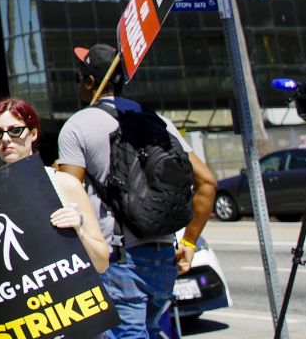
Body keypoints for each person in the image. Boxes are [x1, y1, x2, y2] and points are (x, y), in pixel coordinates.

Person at [57, 44, 216, 339]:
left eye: (79, 77)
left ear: (91, 82)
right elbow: (207, 182)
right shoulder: (159, 121)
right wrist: (190, 242)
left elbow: (66, 198)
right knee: (155, 331)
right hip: (164, 256)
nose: (78, 83)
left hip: (118, 259)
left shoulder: (77, 126)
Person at [0, 98, 110, 308]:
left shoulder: (64, 184)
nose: (5, 139)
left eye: (15, 130)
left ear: (33, 133)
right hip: (21, 316)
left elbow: (101, 263)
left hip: (73, 313)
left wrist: (79, 232)